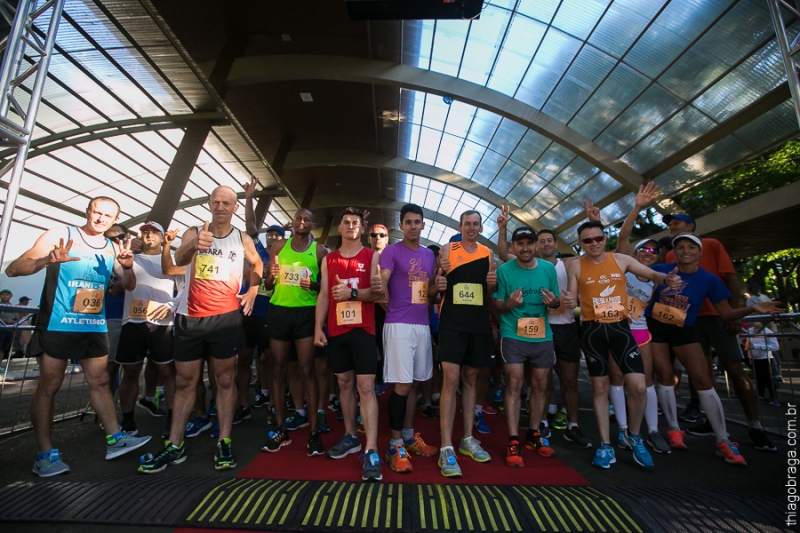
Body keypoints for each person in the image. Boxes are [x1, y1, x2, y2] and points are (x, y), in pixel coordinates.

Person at [6, 196, 151, 477]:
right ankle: (45, 455)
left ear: (115, 220)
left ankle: (115, 439)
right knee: (50, 384)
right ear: (88, 211)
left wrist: (129, 266)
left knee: (100, 380)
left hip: (92, 325)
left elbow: (129, 285)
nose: (100, 219)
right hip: (59, 323)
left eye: (107, 216)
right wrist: (47, 260)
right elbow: (14, 269)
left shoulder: (112, 247)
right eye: (97, 213)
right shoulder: (61, 235)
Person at [138, 186, 262, 473]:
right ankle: (175, 444)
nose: (220, 207)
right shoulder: (194, 232)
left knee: (225, 380)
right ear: (209, 204)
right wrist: (194, 245)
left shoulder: (241, 238)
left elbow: (257, 264)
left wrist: (254, 289)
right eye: (216, 202)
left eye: (226, 203)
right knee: (184, 381)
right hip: (190, 317)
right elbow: (177, 262)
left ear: (234, 208)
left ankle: (224, 441)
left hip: (225, 318)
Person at [645, 233, 783, 463]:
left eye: (691, 247)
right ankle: (673, 429)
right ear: (674, 252)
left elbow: (726, 313)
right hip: (656, 327)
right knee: (665, 375)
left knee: (702, 380)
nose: (685, 251)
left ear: (699, 253)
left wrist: (753, 308)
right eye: (680, 247)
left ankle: (723, 439)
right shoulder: (661, 269)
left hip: (684, 329)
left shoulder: (710, 280)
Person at [563, 220, 682, 470]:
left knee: (639, 387)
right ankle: (606, 445)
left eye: (598, 238)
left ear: (605, 239)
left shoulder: (620, 260)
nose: (594, 243)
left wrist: (666, 280)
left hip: (620, 327)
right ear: (580, 243)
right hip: (593, 330)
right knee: (599, 388)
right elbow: (571, 299)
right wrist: (565, 301)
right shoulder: (575, 265)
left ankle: (634, 436)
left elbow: (652, 274)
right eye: (588, 240)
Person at [315, 207, 383, 481]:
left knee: (365, 387)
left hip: (364, 330)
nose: (351, 226)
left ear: (362, 229)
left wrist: (352, 292)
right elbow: (323, 296)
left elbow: (378, 293)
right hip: (337, 331)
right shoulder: (329, 260)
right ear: (340, 229)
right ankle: (351, 436)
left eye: (356, 222)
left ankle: (372, 450)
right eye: (346, 222)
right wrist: (317, 328)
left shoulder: (372, 255)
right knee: (343, 383)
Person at [376, 203, 439, 474]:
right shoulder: (391, 251)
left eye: (418, 222)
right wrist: (390, 306)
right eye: (409, 222)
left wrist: (438, 287)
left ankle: (410, 436)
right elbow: (382, 283)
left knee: (414, 384)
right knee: (401, 386)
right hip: (399, 325)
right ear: (401, 225)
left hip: (422, 325)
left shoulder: (429, 256)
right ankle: (394, 444)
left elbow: (428, 292)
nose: (413, 226)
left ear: (424, 225)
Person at [493, 226, 561, 467]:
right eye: (519, 244)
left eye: (529, 243)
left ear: (536, 246)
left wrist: (554, 302)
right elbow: (498, 304)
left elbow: (556, 300)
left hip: (542, 336)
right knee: (514, 381)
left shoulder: (548, 269)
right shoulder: (504, 270)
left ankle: (534, 433)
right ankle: (513, 439)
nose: (525, 248)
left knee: (542, 383)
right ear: (513, 247)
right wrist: (509, 304)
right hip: (513, 334)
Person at [262, 208, 328, 455]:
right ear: (292, 223)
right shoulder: (279, 246)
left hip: (305, 314)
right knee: (278, 368)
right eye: (299, 218)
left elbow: (325, 287)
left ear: (313, 224)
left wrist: (313, 284)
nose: (302, 222)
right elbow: (268, 284)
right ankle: (281, 429)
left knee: (307, 370)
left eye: (307, 219)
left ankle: (314, 431)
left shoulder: (319, 251)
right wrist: (271, 275)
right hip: (279, 310)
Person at [436, 210, 496, 478]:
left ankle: (467, 438)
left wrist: (492, 285)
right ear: (460, 226)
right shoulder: (449, 249)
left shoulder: (487, 252)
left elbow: (488, 290)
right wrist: (438, 281)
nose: (471, 228)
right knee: (451, 379)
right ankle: (446, 446)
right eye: (467, 224)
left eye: (475, 224)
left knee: (471, 378)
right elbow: (438, 283)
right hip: (452, 323)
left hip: (477, 324)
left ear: (481, 228)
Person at [115, 221, 180, 438]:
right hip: (132, 322)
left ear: (163, 238)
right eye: (145, 233)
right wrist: (127, 265)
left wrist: (172, 305)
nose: (149, 236)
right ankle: (127, 421)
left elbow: (185, 288)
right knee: (131, 372)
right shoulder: (130, 257)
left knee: (168, 372)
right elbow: (127, 285)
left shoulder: (171, 261)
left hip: (163, 324)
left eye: (154, 233)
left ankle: (173, 419)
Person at [746, 321, 781, 406]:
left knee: (768, 378)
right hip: (753, 358)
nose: (753, 322)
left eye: (757, 320)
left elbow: (775, 346)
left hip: (765, 358)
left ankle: (774, 397)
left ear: (762, 321)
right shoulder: (749, 331)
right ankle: (761, 396)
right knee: (758, 378)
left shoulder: (768, 332)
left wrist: (756, 346)